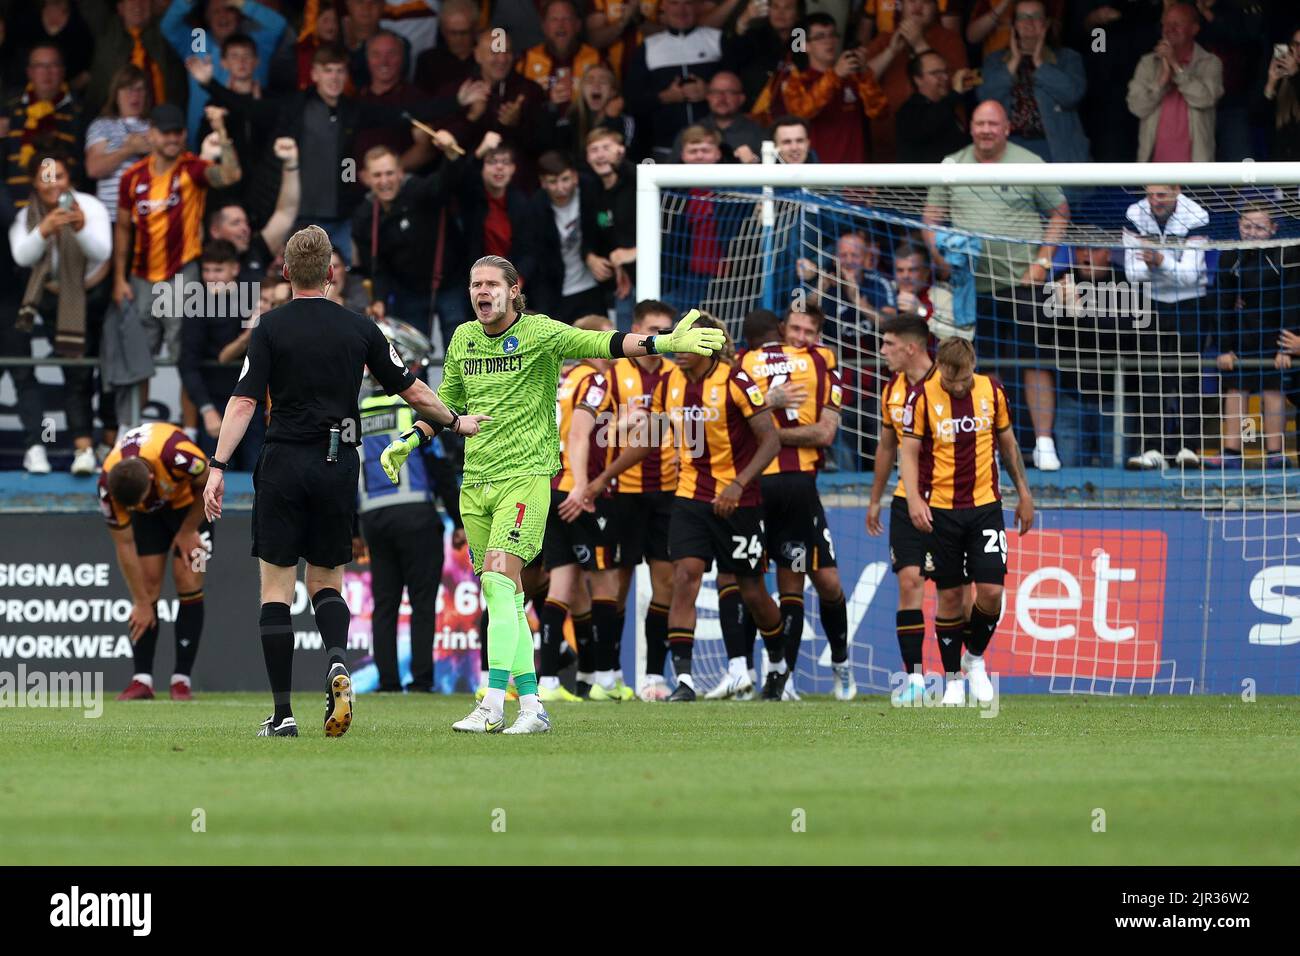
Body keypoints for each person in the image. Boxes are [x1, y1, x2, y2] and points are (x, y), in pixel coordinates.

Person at [377, 257, 726, 731]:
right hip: (475, 484)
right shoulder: (462, 339)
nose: (481, 292)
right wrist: (410, 440)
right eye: (475, 283)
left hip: (525, 478)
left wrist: (664, 343)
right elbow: (449, 406)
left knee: (501, 583)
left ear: (513, 289)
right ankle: (534, 707)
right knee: (508, 596)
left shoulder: (540, 333)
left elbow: (604, 341)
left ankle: (492, 704)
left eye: (491, 284)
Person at [201, 225, 482, 739]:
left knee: (277, 588)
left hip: (283, 462)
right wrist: (455, 420)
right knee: (327, 580)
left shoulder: (267, 329)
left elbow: (242, 402)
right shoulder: (361, 329)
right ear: (332, 273)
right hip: (337, 463)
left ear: (285, 272)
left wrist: (218, 467)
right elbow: (412, 389)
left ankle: (283, 713)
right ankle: (336, 660)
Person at [575, 313, 786, 702]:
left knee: (753, 590)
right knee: (684, 579)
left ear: (707, 345)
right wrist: (602, 479)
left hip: (739, 500)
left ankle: (777, 662)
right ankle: (685, 680)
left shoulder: (736, 380)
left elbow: (771, 440)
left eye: (686, 342)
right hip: (689, 497)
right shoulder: (670, 382)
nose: (678, 350)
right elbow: (651, 437)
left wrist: (738, 484)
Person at [923, 99, 1069, 472]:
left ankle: (1044, 444)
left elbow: (1060, 213)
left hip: (1025, 284)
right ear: (970, 127)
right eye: (979, 123)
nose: (986, 130)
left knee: (1035, 363)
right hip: (972, 288)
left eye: (993, 124)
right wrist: (940, 259)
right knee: (982, 367)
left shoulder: (1029, 164)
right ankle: (989, 443)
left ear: (1007, 128)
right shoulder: (952, 165)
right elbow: (931, 218)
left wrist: (1042, 263)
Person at [900, 336, 1035, 705]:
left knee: (991, 592)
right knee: (950, 597)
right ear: (939, 367)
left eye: (962, 381)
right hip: (941, 510)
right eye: (949, 380)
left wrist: (1024, 492)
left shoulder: (992, 391)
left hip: (986, 507)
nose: (956, 387)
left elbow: (1007, 444)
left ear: (973, 365)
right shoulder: (922, 397)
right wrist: (913, 499)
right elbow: (908, 453)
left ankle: (973, 657)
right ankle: (953, 680)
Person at [738, 308, 853, 700]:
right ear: (782, 330)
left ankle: (841, 664)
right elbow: (733, 421)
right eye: (796, 329)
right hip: (756, 487)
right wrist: (765, 410)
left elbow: (824, 434)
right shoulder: (748, 363)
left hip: (800, 487)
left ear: (819, 335)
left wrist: (768, 433)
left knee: (827, 583)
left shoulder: (823, 362)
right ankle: (770, 677)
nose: (801, 336)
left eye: (810, 331)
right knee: (757, 581)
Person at [355, 320, 465, 693]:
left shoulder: (359, 410)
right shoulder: (413, 410)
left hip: (373, 516)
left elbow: (350, 472)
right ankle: (421, 681)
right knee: (421, 602)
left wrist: (354, 530)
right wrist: (457, 519)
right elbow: (440, 469)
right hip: (416, 514)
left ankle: (386, 682)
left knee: (384, 604)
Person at [582, 300, 680, 701]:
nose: (660, 338)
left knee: (667, 583)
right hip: (619, 494)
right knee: (616, 586)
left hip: (669, 493)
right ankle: (611, 672)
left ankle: (655, 675)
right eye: (653, 330)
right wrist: (622, 427)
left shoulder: (676, 374)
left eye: (666, 331)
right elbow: (591, 428)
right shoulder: (614, 372)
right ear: (637, 329)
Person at [112, 103, 241, 369]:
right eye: (165, 132)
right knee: (138, 358)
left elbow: (231, 175)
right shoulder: (131, 177)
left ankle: (189, 413)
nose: (172, 138)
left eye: (177, 132)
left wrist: (221, 131)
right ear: (151, 133)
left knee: (184, 356)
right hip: (140, 276)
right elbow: (123, 228)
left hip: (182, 273)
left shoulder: (192, 168)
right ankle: (138, 413)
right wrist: (118, 278)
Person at [8, 150, 112, 475]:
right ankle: (83, 448)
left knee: (108, 373)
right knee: (75, 372)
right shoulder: (27, 215)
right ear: (35, 184)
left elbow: (103, 251)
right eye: (46, 178)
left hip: (97, 296)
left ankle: (109, 443)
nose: (54, 184)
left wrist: (79, 227)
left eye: (60, 176)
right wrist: (43, 230)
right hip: (59, 302)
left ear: (70, 180)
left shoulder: (89, 206)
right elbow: (22, 257)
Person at [543, 314, 630, 702]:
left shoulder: (558, 378)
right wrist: (581, 486)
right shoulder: (595, 381)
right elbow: (579, 432)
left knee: (564, 586)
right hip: (578, 491)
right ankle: (607, 678)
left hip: (545, 487)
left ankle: (555, 681)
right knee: (605, 583)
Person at [99, 422, 213, 702]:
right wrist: (140, 601)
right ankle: (142, 680)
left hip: (193, 509)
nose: (132, 510)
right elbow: (124, 544)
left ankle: (181, 681)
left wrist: (187, 530)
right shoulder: (107, 486)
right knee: (147, 586)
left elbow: (210, 482)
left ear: (150, 481)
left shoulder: (179, 455)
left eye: (136, 503)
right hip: (151, 519)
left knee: (189, 576)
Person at [866, 314, 937, 704]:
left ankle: (960, 674)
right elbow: (886, 447)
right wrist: (875, 498)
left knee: (954, 591)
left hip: (949, 500)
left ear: (911, 347)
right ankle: (913, 678)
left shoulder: (948, 382)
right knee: (909, 581)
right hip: (903, 499)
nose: (882, 352)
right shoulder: (892, 389)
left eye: (888, 344)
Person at [1121, 183, 1209, 469]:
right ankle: (1151, 449)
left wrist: (1159, 260)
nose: (1154, 201)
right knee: (1150, 376)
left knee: (1187, 376)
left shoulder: (1197, 215)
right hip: (1150, 302)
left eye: (1161, 195)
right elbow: (1133, 275)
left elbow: (1191, 276)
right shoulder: (1135, 213)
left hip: (1190, 303)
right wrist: (1171, 266)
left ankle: (1187, 447)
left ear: (1177, 190)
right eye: (1150, 194)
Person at [1209, 203, 1300, 469]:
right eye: (1247, 226)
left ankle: (1274, 452)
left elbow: (1292, 300)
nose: (1252, 232)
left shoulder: (1287, 254)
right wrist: (1224, 347)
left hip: (1276, 336)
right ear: (1239, 227)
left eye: (1259, 227)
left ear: (1273, 229)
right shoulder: (1230, 257)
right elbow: (1222, 304)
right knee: (1237, 390)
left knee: (1273, 390)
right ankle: (1233, 450)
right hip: (1241, 336)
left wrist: (1287, 346)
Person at [350, 134, 468, 336]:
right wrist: (379, 299)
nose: (384, 181)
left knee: (461, 352)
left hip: (450, 283)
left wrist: (450, 152)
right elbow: (377, 268)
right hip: (408, 293)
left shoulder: (420, 191)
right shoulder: (365, 217)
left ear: (400, 173)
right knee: (412, 361)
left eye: (389, 173)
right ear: (366, 178)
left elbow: (448, 181)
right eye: (377, 175)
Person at [750, 12, 887, 163]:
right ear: (806, 45)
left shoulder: (854, 78)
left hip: (855, 177)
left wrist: (864, 73)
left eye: (832, 35)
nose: (829, 41)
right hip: (817, 176)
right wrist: (834, 75)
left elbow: (881, 113)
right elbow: (801, 113)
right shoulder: (796, 81)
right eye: (820, 37)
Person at [179, 239, 264, 467]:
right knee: (217, 475)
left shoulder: (254, 295)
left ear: (235, 269)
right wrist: (206, 411)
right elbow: (187, 365)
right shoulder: (195, 307)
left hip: (252, 401)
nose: (211, 276)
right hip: (215, 403)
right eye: (206, 270)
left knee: (259, 472)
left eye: (218, 269)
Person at [977, 0, 1089, 163]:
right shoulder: (995, 60)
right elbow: (985, 99)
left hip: (1056, 149)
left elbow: (1072, 95)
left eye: (1036, 16)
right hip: (1010, 149)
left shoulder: (1067, 58)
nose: (1028, 22)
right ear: (1014, 24)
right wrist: (1013, 62)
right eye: (1022, 17)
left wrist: (1039, 63)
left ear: (1046, 23)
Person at [624, 0, 733, 161]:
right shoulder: (649, 47)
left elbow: (741, 89)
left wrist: (710, 91)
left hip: (715, 147)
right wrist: (665, 97)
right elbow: (632, 101)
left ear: (697, 6)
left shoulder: (717, 40)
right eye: (674, 3)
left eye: (688, 3)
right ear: (664, 7)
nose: (681, 9)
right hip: (663, 149)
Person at [864, 0, 967, 162]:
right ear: (901, 5)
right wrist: (890, 52)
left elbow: (958, 84)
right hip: (888, 146)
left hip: (941, 146)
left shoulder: (950, 40)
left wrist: (919, 44)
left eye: (925, 2)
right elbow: (860, 83)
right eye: (911, 1)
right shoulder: (885, 39)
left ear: (935, 8)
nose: (917, 7)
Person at [1125, 1, 1223, 163]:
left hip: (1196, 170)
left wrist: (1176, 67)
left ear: (1194, 29)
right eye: (1166, 24)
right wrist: (1162, 80)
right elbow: (1136, 107)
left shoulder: (1210, 62)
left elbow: (1205, 99)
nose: (1169, 30)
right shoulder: (1148, 63)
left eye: (1177, 24)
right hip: (1154, 171)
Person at [513, 150, 603, 323]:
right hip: (554, 291)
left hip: (591, 286)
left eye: (565, 179)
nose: (561, 188)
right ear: (543, 183)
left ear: (575, 177)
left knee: (599, 344)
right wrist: (518, 280)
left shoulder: (590, 189)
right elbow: (529, 252)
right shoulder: (534, 209)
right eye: (553, 182)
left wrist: (591, 254)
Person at [3, 44, 85, 205]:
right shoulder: (9, 108)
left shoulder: (80, 111)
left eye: (53, 65)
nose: (47, 72)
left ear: (63, 71)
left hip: (63, 207)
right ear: (30, 72)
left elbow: (82, 170)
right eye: (40, 66)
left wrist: (67, 209)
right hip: (12, 209)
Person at [581, 128, 637, 330]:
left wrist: (635, 252)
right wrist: (590, 257)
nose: (600, 154)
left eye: (606, 147)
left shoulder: (639, 182)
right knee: (623, 348)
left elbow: (669, 230)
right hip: (619, 286)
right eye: (594, 149)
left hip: (660, 279)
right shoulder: (590, 191)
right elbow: (587, 236)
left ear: (621, 150)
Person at [83, 65, 152, 224]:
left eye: (140, 89)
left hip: (150, 216)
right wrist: (129, 150)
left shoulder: (156, 126)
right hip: (111, 216)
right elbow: (93, 169)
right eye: (128, 89)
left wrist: (153, 150)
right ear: (116, 94)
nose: (134, 95)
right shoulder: (101, 125)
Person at [896, 50, 970, 164]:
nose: (945, 77)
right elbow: (928, 125)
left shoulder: (945, 106)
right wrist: (955, 94)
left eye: (945, 72)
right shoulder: (908, 111)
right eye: (936, 73)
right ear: (918, 79)